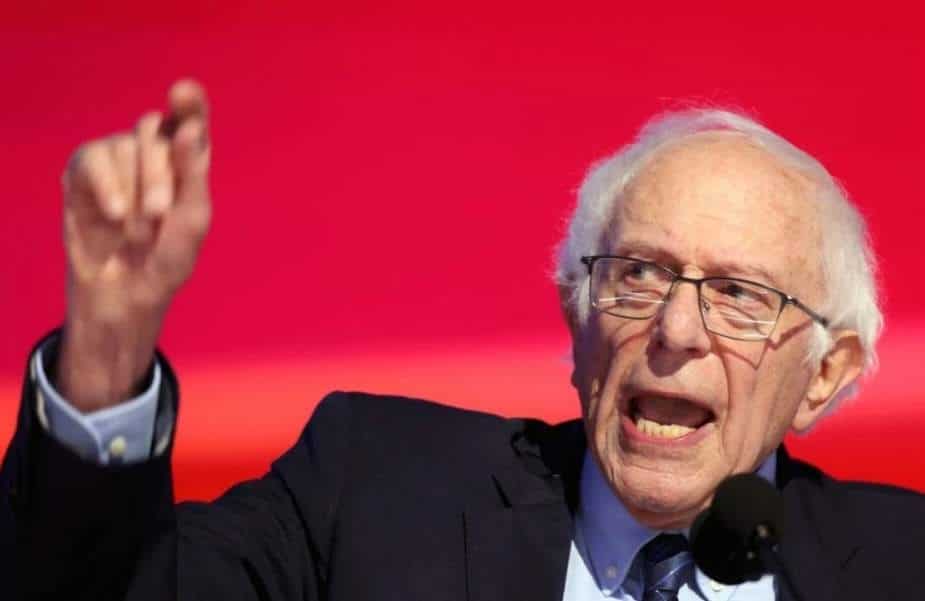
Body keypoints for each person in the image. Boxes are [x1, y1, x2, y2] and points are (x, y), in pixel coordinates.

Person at [2, 80, 923, 601]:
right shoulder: (369, 490)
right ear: (576, 314)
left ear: (824, 374)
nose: (675, 330)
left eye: (735, 294)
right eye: (637, 274)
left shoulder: (901, 561)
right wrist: (108, 347)